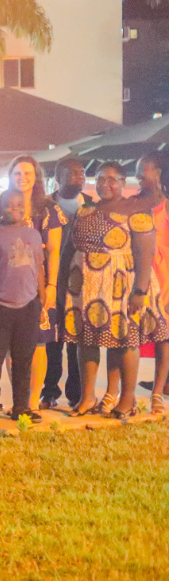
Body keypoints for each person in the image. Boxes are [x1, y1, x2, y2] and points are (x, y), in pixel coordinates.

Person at [65, 162, 169, 419]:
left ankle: (127, 400)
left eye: (112, 180)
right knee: (85, 340)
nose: (105, 185)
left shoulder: (137, 209)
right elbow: (70, 247)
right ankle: (87, 397)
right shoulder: (85, 210)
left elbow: (144, 254)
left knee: (126, 340)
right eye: (100, 179)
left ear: (124, 182)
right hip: (86, 286)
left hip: (122, 286)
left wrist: (139, 291)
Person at [0, 156, 65, 414]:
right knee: (13, 347)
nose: (22, 178)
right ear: (10, 176)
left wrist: (52, 286)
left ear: (36, 177)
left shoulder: (48, 210)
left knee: (38, 345)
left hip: (39, 287)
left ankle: (33, 401)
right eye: (17, 174)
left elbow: (54, 250)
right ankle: (19, 401)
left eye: (28, 173)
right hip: (6, 289)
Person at [0, 189, 46, 425]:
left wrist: (41, 298)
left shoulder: (34, 234)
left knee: (23, 360)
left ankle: (21, 406)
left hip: (28, 306)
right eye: (8, 205)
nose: (14, 208)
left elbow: (39, 268)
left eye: (19, 204)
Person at [43, 158, 92, 410]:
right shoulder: (45, 206)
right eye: (72, 173)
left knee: (76, 342)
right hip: (51, 283)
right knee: (51, 340)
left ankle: (76, 392)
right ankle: (49, 391)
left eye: (82, 173)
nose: (79, 177)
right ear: (58, 178)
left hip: (81, 286)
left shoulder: (93, 207)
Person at [135, 153, 169, 413]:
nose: (137, 176)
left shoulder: (166, 207)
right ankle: (127, 393)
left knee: (163, 338)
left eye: (141, 171)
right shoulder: (132, 204)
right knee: (129, 338)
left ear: (156, 173)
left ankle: (158, 392)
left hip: (164, 280)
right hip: (135, 281)